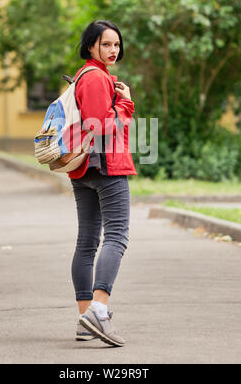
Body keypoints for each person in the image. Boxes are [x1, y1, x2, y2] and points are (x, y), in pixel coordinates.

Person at [68, 19, 137, 347]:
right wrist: (125, 103)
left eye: (116, 45)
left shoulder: (84, 76)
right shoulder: (96, 77)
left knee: (87, 241)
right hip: (106, 167)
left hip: (85, 169)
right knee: (117, 236)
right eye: (106, 44)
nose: (113, 50)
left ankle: (85, 321)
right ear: (91, 45)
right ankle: (98, 310)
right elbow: (101, 125)